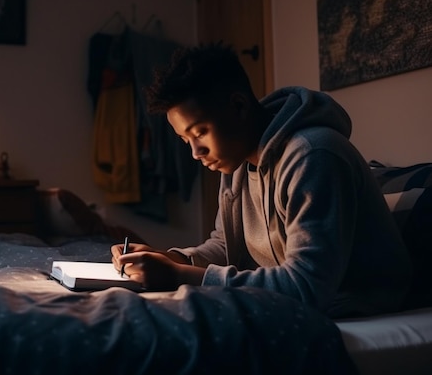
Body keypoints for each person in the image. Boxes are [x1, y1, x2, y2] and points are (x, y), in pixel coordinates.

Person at [111, 43, 413, 318]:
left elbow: (308, 286)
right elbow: (226, 246)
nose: (195, 152)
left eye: (200, 132)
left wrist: (178, 275)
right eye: (185, 139)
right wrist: (173, 259)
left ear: (239, 107)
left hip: (355, 304)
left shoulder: (314, 155)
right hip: (300, 297)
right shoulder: (236, 162)